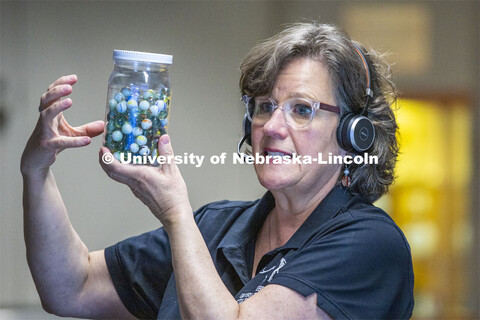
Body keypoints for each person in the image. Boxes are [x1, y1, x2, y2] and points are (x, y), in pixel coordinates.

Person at [21, 22, 414, 319]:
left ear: (354, 133)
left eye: (301, 109)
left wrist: (176, 216)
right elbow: (72, 285)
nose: (273, 128)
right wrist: (36, 172)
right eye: (264, 106)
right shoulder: (215, 227)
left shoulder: (371, 244)